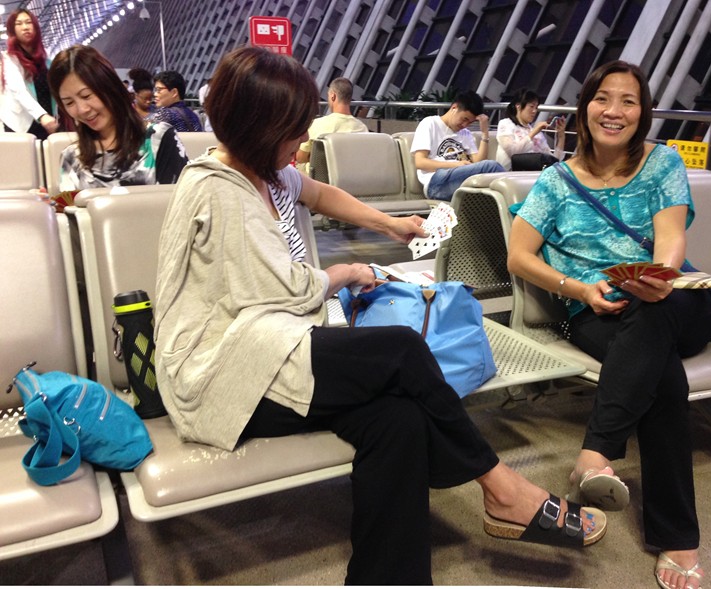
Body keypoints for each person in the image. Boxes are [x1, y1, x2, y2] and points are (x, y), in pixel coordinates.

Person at [154, 46, 607, 586]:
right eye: (294, 128)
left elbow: (319, 193)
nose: (304, 139)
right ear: (258, 127)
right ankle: (502, 488)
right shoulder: (219, 192)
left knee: (399, 420)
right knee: (399, 349)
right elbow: (289, 291)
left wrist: (391, 226)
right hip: (226, 372)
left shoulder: (265, 172)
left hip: (275, 348)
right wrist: (350, 271)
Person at [507, 60, 711, 589]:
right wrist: (579, 290)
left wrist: (661, 276)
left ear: (642, 113)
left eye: (628, 101)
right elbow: (518, 256)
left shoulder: (662, 163)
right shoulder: (556, 181)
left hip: (674, 301)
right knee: (663, 377)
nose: (614, 111)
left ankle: (595, 453)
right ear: (585, 107)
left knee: (654, 310)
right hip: (596, 310)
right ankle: (677, 538)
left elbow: (671, 235)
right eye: (603, 98)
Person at [48, 45, 189, 192]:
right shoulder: (71, 157)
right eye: (69, 103)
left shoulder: (159, 139)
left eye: (86, 96)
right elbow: (68, 205)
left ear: (110, 87)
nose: (82, 109)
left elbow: (182, 201)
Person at [410, 90, 505, 201]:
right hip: (436, 183)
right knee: (492, 167)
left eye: (470, 122)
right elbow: (420, 162)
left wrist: (485, 132)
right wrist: (456, 165)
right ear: (454, 108)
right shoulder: (430, 123)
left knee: (493, 186)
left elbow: (479, 162)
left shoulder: (465, 133)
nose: (465, 125)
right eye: (464, 119)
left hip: (461, 179)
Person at [0, 9, 58, 140]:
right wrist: (41, 115)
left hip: (48, 121)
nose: (25, 27)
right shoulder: (8, 58)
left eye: (28, 22)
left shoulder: (45, 57)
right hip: (22, 124)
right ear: (12, 30)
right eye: (19, 23)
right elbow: (18, 91)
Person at [294, 77, 368, 174]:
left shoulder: (318, 124)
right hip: (348, 178)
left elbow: (300, 157)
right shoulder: (362, 128)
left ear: (333, 96)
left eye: (328, 96)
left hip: (318, 179)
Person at [495, 88, 566, 171]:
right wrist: (534, 132)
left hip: (533, 173)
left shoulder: (536, 132)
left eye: (536, 107)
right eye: (531, 107)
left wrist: (561, 135)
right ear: (518, 106)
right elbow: (513, 153)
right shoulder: (506, 124)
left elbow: (553, 160)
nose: (534, 111)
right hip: (511, 173)